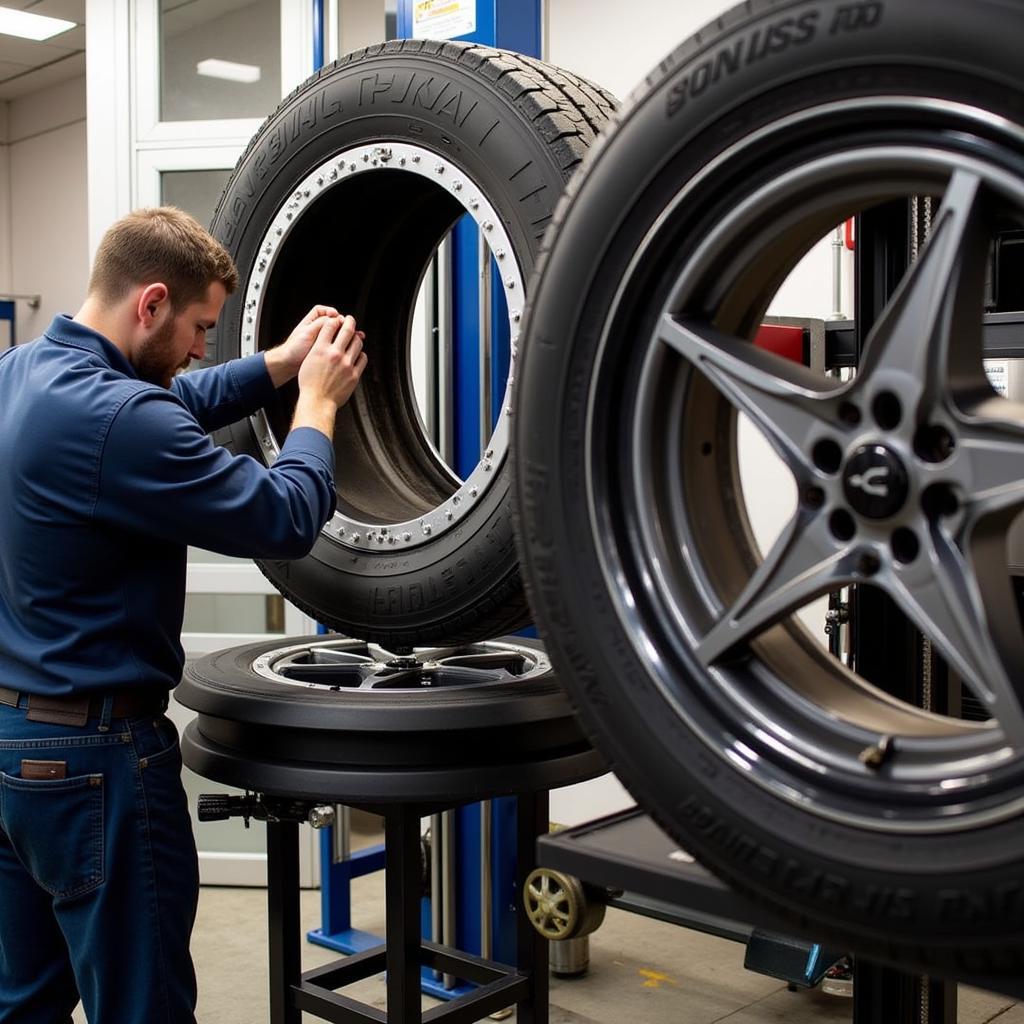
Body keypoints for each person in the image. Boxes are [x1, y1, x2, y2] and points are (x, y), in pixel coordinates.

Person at [0, 206, 366, 1023]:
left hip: (14, 756)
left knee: (21, 1007)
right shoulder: (123, 420)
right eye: (201, 325)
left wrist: (274, 364)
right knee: (144, 1008)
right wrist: (317, 402)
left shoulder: (18, 373)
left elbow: (172, 400)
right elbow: (285, 516)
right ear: (151, 303)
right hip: (99, 765)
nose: (204, 347)